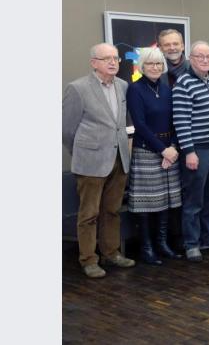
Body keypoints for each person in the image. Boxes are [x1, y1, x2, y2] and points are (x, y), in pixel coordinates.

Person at [63, 43, 135, 278]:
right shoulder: (78, 88)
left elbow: (122, 123)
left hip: (119, 158)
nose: (113, 62)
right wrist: (82, 152)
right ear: (94, 62)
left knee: (112, 210)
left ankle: (111, 253)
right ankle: (88, 259)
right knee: (89, 213)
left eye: (115, 58)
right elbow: (66, 129)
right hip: (91, 160)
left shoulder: (123, 86)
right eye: (106, 59)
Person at [126, 48, 182, 265]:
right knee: (148, 204)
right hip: (148, 151)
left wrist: (174, 148)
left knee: (167, 201)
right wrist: (162, 149)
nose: (155, 68)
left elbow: (177, 119)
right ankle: (147, 247)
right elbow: (139, 124)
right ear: (142, 66)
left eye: (159, 64)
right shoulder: (135, 89)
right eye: (150, 64)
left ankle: (162, 243)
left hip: (170, 152)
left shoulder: (167, 89)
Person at [173, 41, 209, 262]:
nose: (205, 60)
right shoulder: (183, 84)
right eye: (200, 56)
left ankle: (207, 237)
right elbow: (181, 121)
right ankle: (191, 244)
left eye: (208, 56)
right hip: (197, 151)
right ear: (190, 58)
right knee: (194, 200)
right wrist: (189, 151)